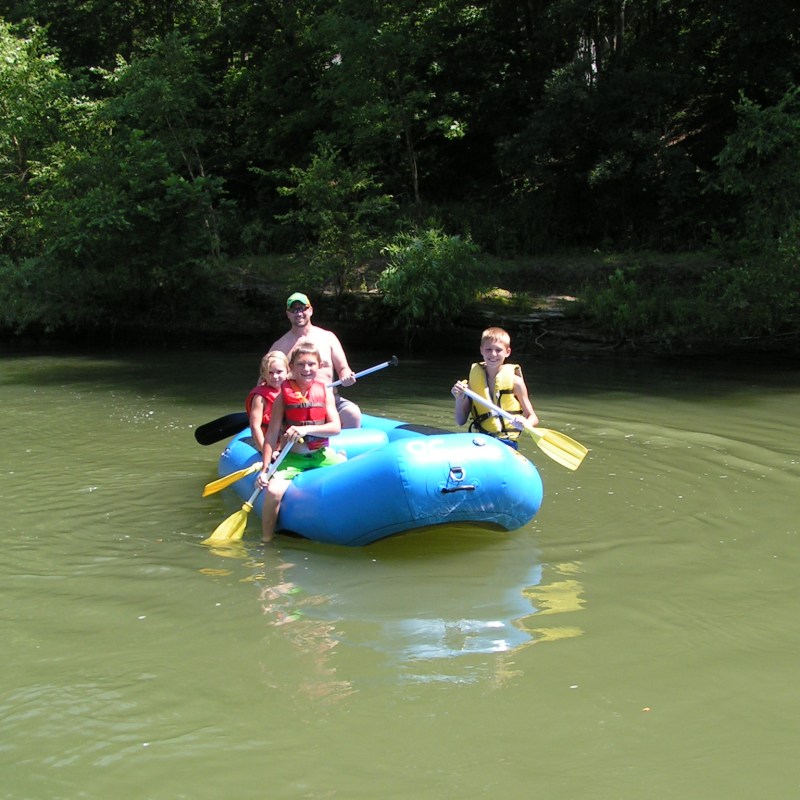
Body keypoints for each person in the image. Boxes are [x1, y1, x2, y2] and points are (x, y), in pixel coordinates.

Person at [255, 339, 346, 542]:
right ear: (292, 368)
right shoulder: (282, 397)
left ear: (320, 366)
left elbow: (335, 428)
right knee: (274, 492)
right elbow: (271, 434)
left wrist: (306, 428)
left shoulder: (325, 393)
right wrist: (264, 469)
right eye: (301, 364)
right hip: (293, 458)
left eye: (311, 364)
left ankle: (339, 457)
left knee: (350, 474)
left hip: (320, 455)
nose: (306, 369)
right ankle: (266, 540)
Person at [268, 292, 362, 428]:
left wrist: (346, 376)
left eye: (302, 309)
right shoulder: (279, 346)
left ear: (310, 310)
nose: (298, 313)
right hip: (296, 404)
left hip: (329, 399)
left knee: (352, 413)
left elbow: (343, 368)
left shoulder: (328, 337)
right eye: (294, 310)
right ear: (288, 314)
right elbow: (267, 377)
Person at [451, 326, 539, 449]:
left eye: (498, 350)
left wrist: (525, 423)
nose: (493, 354)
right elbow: (460, 421)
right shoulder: (473, 382)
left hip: (506, 443)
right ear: (481, 350)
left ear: (507, 352)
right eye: (488, 349)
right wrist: (459, 398)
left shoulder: (516, 382)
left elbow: (533, 417)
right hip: (481, 440)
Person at [245, 350, 290, 454]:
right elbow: (255, 426)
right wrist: (266, 452)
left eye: (279, 372)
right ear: (264, 374)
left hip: (288, 443)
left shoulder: (294, 391)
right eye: (270, 372)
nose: (275, 376)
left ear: (288, 371)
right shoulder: (260, 397)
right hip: (269, 444)